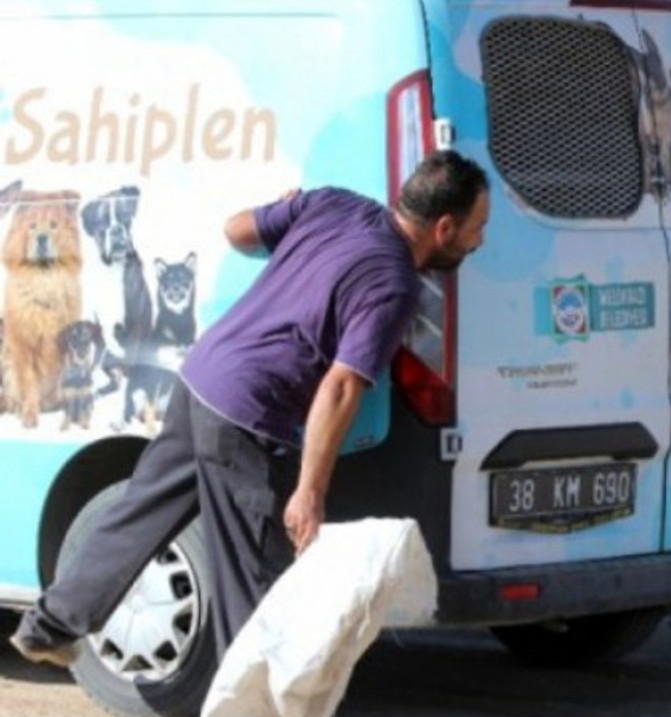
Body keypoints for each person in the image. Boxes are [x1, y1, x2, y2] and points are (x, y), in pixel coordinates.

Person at [9, 149, 491, 666]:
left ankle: (48, 628)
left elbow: (236, 230)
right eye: (475, 228)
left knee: (140, 515)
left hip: (201, 377)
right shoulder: (395, 284)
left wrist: (288, 216)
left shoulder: (334, 203)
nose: (479, 240)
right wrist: (310, 491)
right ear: (444, 228)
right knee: (255, 585)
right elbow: (342, 387)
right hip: (249, 411)